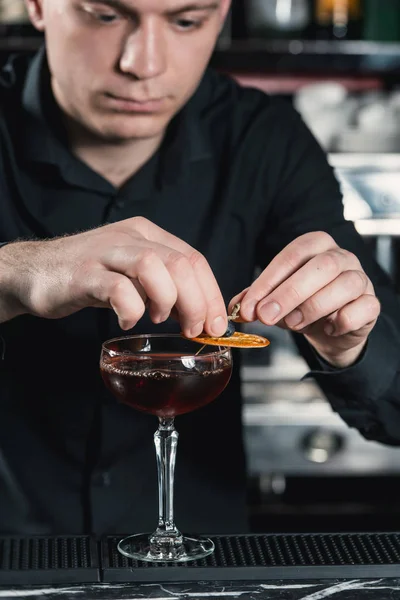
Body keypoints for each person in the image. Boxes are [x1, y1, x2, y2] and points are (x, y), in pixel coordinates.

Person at [0, 0, 399, 537]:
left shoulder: (263, 138)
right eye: (104, 15)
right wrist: (14, 273)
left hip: (201, 564)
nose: (143, 64)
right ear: (38, 6)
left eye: (186, 21)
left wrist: (351, 342)